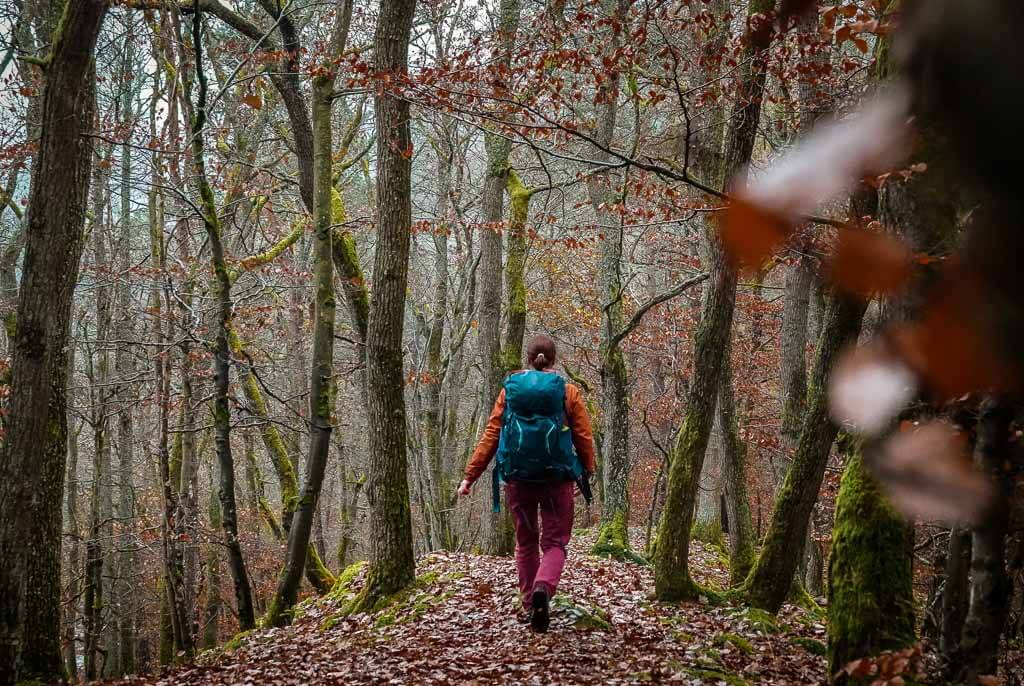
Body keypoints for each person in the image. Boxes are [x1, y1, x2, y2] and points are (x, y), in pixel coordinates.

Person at [457, 334, 596, 632]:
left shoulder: (510, 391)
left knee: (526, 542)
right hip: (557, 480)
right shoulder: (568, 392)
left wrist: (470, 476)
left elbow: (492, 435)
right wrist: (587, 470)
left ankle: (530, 602)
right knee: (555, 542)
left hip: (518, 480)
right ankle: (543, 587)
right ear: (553, 360)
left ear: (529, 359)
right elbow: (583, 436)